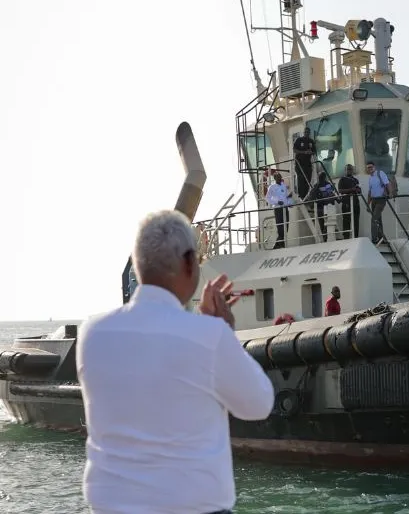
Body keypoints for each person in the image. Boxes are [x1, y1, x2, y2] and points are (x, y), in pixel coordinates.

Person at [77, 209, 275, 514]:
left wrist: (206, 330)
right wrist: (220, 329)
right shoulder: (209, 336)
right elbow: (258, 404)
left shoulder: (92, 334)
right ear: (188, 262)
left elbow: (157, 360)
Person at [365, 161, 393, 245]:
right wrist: (368, 203)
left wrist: (390, 193)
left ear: (374, 167)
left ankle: (374, 239)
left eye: (371, 167)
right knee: (378, 220)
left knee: (374, 219)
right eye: (368, 168)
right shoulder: (370, 178)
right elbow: (370, 192)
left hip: (381, 200)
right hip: (374, 200)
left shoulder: (380, 173)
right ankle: (382, 238)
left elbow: (387, 183)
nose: (370, 169)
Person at [265, 172, 291, 249]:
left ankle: (279, 244)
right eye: (278, 177)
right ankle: (279, 244)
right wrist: (276, 202)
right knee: (280, 228)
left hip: (285, 208)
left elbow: (286, 197)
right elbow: (267, 198)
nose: (280, 178)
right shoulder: (272, 187)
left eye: (280, 177)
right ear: (275, 178)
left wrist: (289, 199)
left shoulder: (284, 186)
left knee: (286, 226)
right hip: (278, 209)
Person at [336, 164, 362, 240]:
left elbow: (359, 191)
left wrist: (358, 190)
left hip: (355, 203)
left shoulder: (355, 180)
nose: (349, 171)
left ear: (352, 170)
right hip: (346, 203)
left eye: (350, 169)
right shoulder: (342, 179)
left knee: (356, 220)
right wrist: (352, 190)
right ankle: (346, 237)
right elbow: (340, 190)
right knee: (346, 220)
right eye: (348, 169)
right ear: (345, 170)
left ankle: (356, 236)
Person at [292, 127, 316, 200]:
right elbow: (294, 150)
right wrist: (304, 152)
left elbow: (314, 151)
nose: (307, 133)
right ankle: (301, 196)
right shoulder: (299, 140)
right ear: (304, 132)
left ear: (309, 133)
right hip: (299, 163)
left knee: (308, 179)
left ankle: (306, 196)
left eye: (308, 132)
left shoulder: (311, 141)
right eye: (305, 132)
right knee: (301, 179)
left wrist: (310, 152)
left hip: (308, 164)